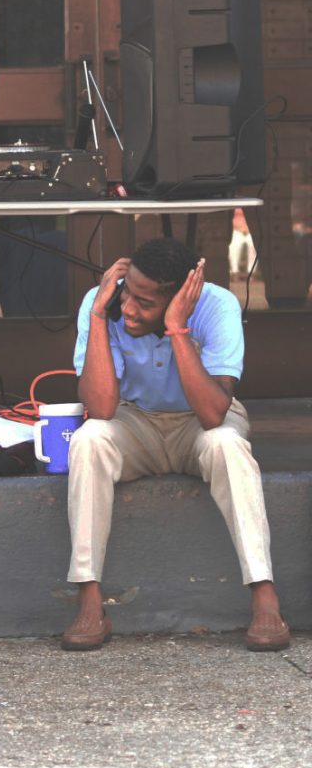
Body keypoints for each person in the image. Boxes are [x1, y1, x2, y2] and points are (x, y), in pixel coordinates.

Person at [62, 237, 289, 652]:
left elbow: (212, 414)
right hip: (134, 419)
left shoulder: (217, 306)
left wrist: (178, 327)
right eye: (128, 291)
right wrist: (98, 315)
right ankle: (90, 599)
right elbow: (101, 408)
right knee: (89, 440)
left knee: (228, 446)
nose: (129, 307)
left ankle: (263, 596)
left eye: (144, 302)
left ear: (180, 297)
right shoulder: (104, 302)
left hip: (198, 423)